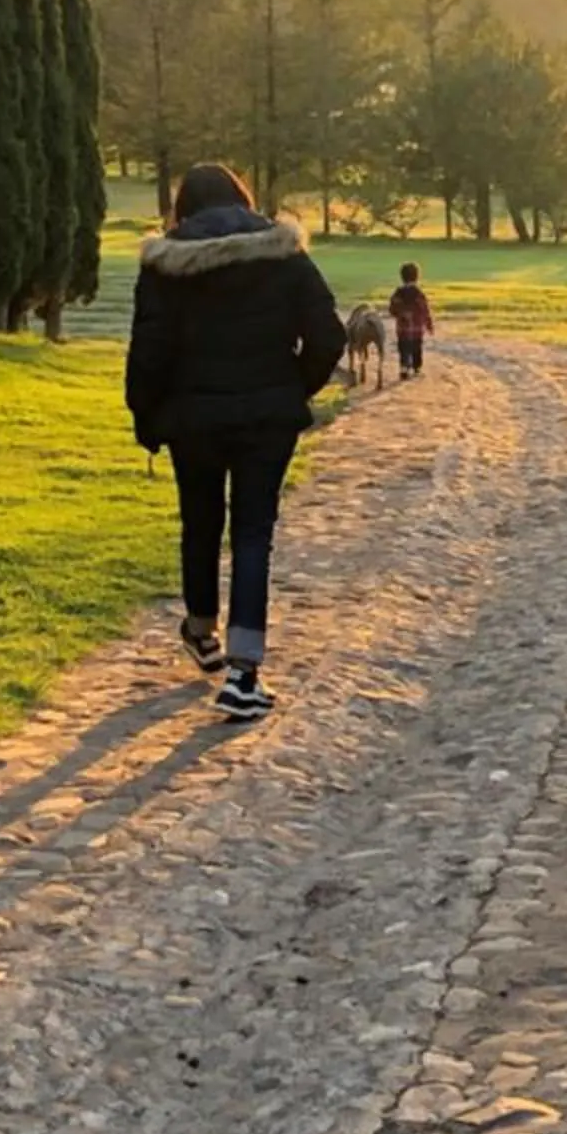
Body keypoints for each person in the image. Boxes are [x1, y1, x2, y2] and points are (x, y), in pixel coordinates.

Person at [125, 163, 347, 723]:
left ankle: (202, 631)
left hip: (192, 417)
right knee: (253, 533)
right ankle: (245, 673)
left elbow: (148, 351)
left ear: (183, 208)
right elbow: (329, 335)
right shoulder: (283, 253)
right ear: (243, 199)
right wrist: (292, 388)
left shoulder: (165, 267)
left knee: (200, 520)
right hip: (265, 419)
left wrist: (146, 416)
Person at [389, 260, 436, 379]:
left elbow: (393, 309)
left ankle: (404, 368)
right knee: (416, 347)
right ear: (416, 277)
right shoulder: (419, 293)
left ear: (402, 277)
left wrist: (400, 315)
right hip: (417, 329)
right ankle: (416, 368)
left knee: (403, 347)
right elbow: (425, 310)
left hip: (402, 328)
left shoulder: (398, 293)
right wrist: (429, 324)